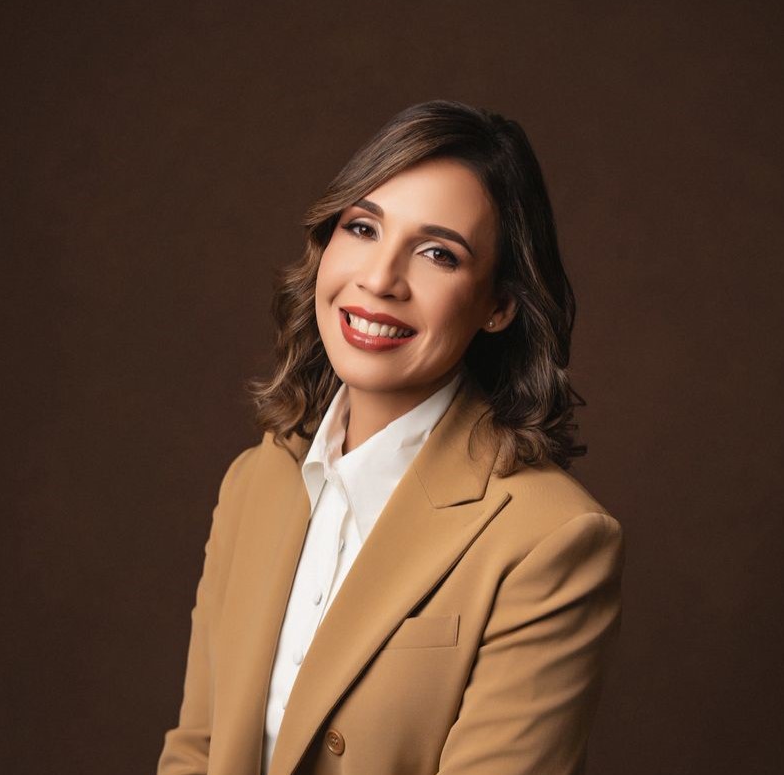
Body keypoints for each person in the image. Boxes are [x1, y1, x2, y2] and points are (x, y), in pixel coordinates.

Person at [156, 100, 624, 775]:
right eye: (363, 227)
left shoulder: (552, 539)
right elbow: (196, 750)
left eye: (437, 253)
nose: (379, 280)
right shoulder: (255, 481)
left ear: (498, 305)